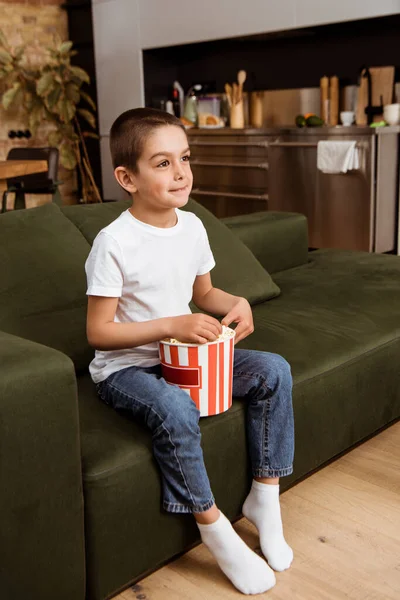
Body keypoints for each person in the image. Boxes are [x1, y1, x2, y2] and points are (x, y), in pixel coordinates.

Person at [85, 108, 295, 595]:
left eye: (184, 158)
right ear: (127, 177)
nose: (181, 172)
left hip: (181, 355)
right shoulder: (113, 243)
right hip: (125, 369)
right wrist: (172, 325)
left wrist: (235, 303)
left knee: (274, 371)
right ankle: (213, 526)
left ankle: (265, 497)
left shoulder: (193, 225)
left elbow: (205, 294)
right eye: (162, 163)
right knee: (175, 406)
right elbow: (98, 332)